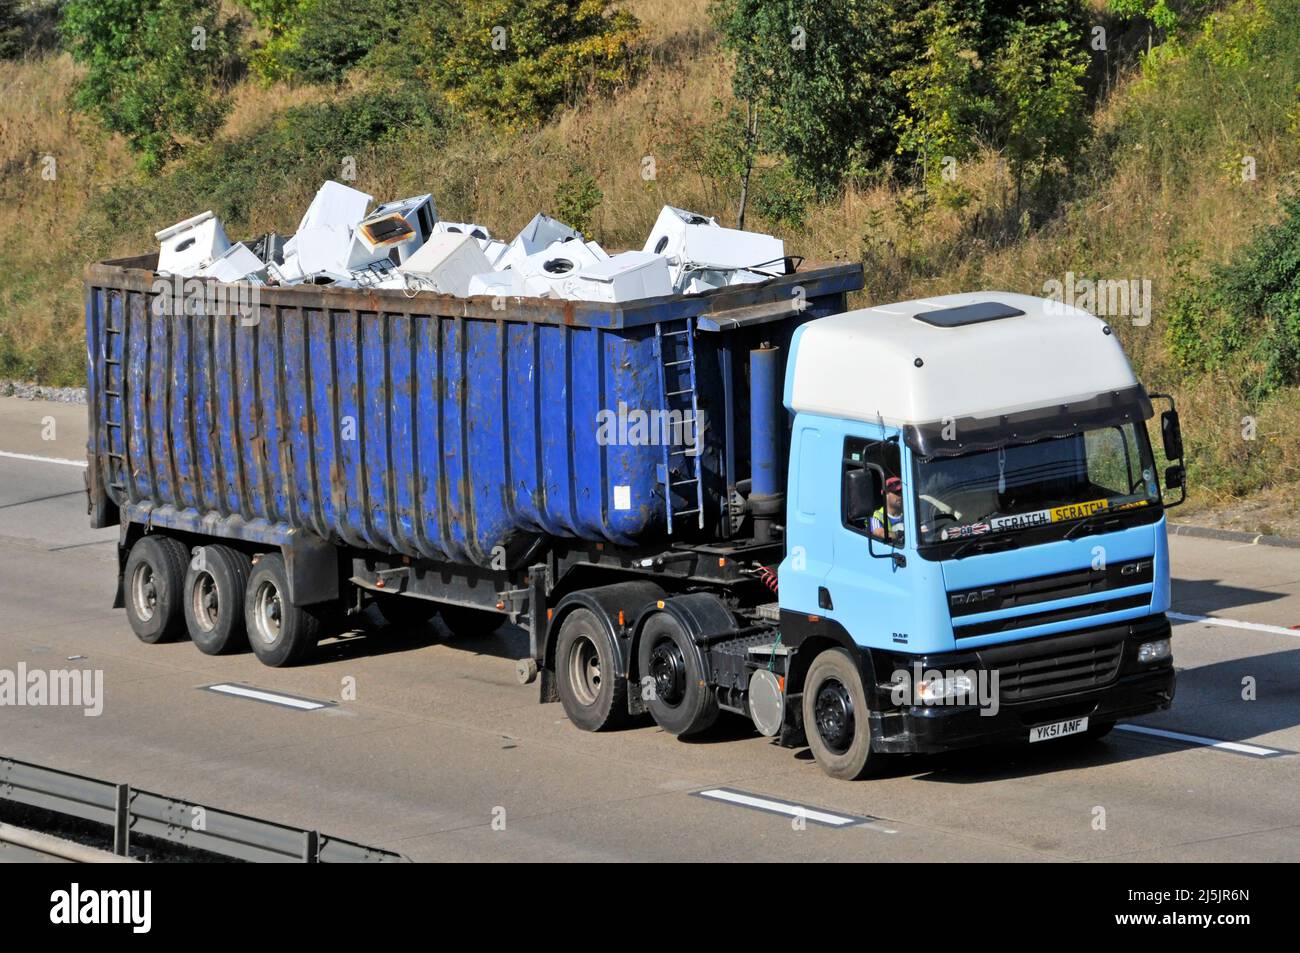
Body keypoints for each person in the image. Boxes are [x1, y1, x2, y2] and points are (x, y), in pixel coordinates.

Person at [871, 476, 905, 543]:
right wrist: (903, 534)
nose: (901, 495)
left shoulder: (910, 513)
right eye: (897, 492)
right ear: (885, 494)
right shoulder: (876, 516)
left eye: (902, 492)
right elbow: (880, 533)